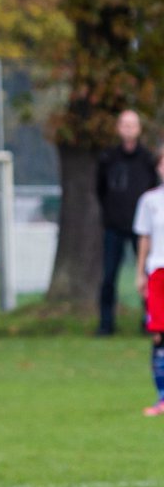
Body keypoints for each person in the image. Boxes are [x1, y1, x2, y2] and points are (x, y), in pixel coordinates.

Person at [97, 110, 159, 336]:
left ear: (139, 128)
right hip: (114, 225)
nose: (128, 129)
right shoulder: (108, 158)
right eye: (124, 124)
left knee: (147, 275)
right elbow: (100, 190)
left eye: (132, 125)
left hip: (141, 228)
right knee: (109, 276)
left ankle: (149, 321)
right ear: (118, 128)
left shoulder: (147, 160)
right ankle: (106, 324)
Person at [134, 144, 164, 416]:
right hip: (157, 273)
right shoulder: (150, 201)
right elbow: (145, 238)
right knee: (158, 335)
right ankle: (161, 398)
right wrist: (139, 271)